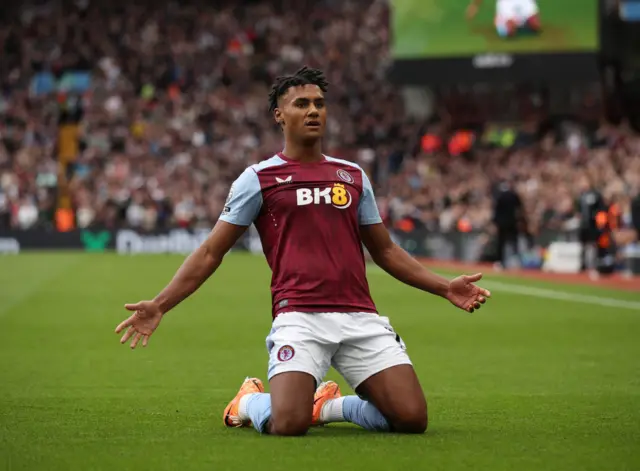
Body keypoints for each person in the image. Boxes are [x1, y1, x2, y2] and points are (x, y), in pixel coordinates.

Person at [114, 67, 491, 436]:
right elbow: (212, 251)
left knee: (411, 420)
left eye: (319, 103)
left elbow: (387, 251)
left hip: (359, 316)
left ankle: (327, 407)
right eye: (301, 104)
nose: (313, 111)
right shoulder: (258, 179)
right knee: (288, 424)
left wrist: (444, 287)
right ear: (279, 115)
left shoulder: (353, 176)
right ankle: (247, 402)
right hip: (299, 317)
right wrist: (161, 304)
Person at [466, 0, 541, 38]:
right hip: (507, 3)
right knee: (510, 31)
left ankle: (520, 23)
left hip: (523, 1)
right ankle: (503, 22)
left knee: (536, 25)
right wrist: (475, 5)